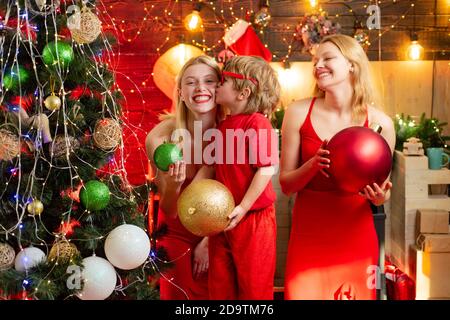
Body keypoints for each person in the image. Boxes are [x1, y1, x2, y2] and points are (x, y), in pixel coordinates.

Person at [280, 34, 395, 300]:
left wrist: (380, 197)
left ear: (352, 64)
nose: (317, 65)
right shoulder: (298, 112)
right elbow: (286, 185)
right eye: (315, 60)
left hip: (356, 233)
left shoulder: (381, 124)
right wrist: (312, 165)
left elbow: (383, 189)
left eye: (327, 58)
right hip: (309, 233)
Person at [145, 55, 223, 300]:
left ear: (220, 88)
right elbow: (169, 210)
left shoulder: (233, 131)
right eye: (191, 82)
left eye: (209, 81)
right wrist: (174, 185)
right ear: (179, 92)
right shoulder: (159, 139)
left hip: (223, 233)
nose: (200, 88)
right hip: (178, 234)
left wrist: (210, 241)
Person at [209, 55, 281, 299]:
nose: (217, 85)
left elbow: (266, 168)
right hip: (224, 219)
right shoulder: (223, 125)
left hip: (253, 219)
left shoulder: (257, 123)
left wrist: (244, 206)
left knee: (254, 289)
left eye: (224, 80)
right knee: (220, 286)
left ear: (243, 92)